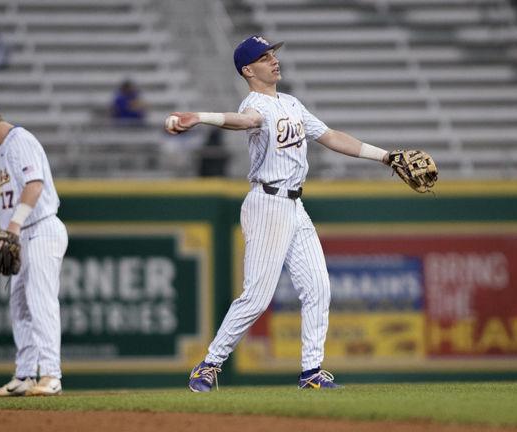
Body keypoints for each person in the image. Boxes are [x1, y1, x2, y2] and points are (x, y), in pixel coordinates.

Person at [165, 35, 392, 392]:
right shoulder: (256, 104)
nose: (273, 60)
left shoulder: (291, 103)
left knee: (318, 287)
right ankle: (208, 365)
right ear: (248, 69)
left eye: (273, 54)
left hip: (295, 205)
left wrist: (386, 157)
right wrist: (199, 118)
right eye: (264, 56)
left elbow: (331, 137)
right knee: (256, 296)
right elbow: (242, 121)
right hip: (268, 202)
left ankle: (311, 372)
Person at [0, 102, 68, 396]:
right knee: (20, 305)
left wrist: (13, 228)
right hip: (23, 234)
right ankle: (25, 375)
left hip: (41, 229)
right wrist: (11, 232)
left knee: (40, 301)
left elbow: (34, 185)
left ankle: (50, 375)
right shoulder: (7, 147)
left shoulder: (20, 140)